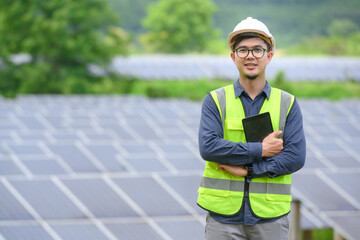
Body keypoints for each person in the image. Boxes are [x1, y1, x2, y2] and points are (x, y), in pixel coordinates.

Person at [197, 17, 306, 240]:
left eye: (257, 50)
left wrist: (250, 171)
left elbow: (295, 157)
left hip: (270, 219)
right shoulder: (216, 100)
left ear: (269, 56)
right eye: (243, 50)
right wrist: (260, 150)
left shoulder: (288, 104)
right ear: (233, 57)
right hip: (222, 219)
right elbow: (209, 148)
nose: (250, 56)